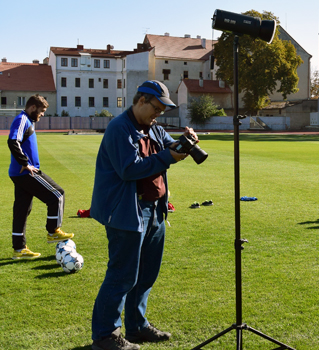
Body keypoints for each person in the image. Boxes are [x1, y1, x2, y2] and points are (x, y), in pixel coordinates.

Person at [90, 80, 197, 350]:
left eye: (162, 110)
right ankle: (105, 336)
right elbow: (129, 169)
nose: (158, 114)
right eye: (156, 108)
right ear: (141, 101)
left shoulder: (154, 128)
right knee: (121, 275)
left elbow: (169, 146)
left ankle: (136, 327)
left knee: (147, 273)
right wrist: (168, 157)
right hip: (127, 212)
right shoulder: (119, 128)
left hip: (154, 210)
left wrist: (186, 143)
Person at [8, 94, 74, 260]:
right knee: (57, 194)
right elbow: (12, 141)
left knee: (22, 210)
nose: (42, 114)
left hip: (19, 174)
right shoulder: (22, 119)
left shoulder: (28, 121)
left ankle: (19, 249)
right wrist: (24, 162)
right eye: (41, 111)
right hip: (27, 172)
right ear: (32, 108)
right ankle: (53, 231)